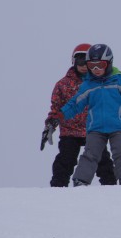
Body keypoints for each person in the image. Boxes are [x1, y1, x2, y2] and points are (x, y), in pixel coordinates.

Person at [48, 44, 121, 186]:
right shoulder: (88, 85)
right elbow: (75, 104)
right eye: (92, 65)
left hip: (118, 126)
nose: (96, 70)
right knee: (90, 154)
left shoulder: (119, 81)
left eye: (100, 65)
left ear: (109, 63)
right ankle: (81, 181)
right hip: (96, 128)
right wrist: (59, 116)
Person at [42, 44, 116, 187]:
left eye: (86, 62)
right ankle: (58, 187)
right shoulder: (63, 84)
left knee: (103, 160)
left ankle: (111, 187)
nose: (83, 66)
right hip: (70, 131)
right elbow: (56, 107)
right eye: (79, 62)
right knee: (66, 159)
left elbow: (111, 106)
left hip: (93, 130)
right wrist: (50, 124)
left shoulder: (98, 83)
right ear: (73, 62)